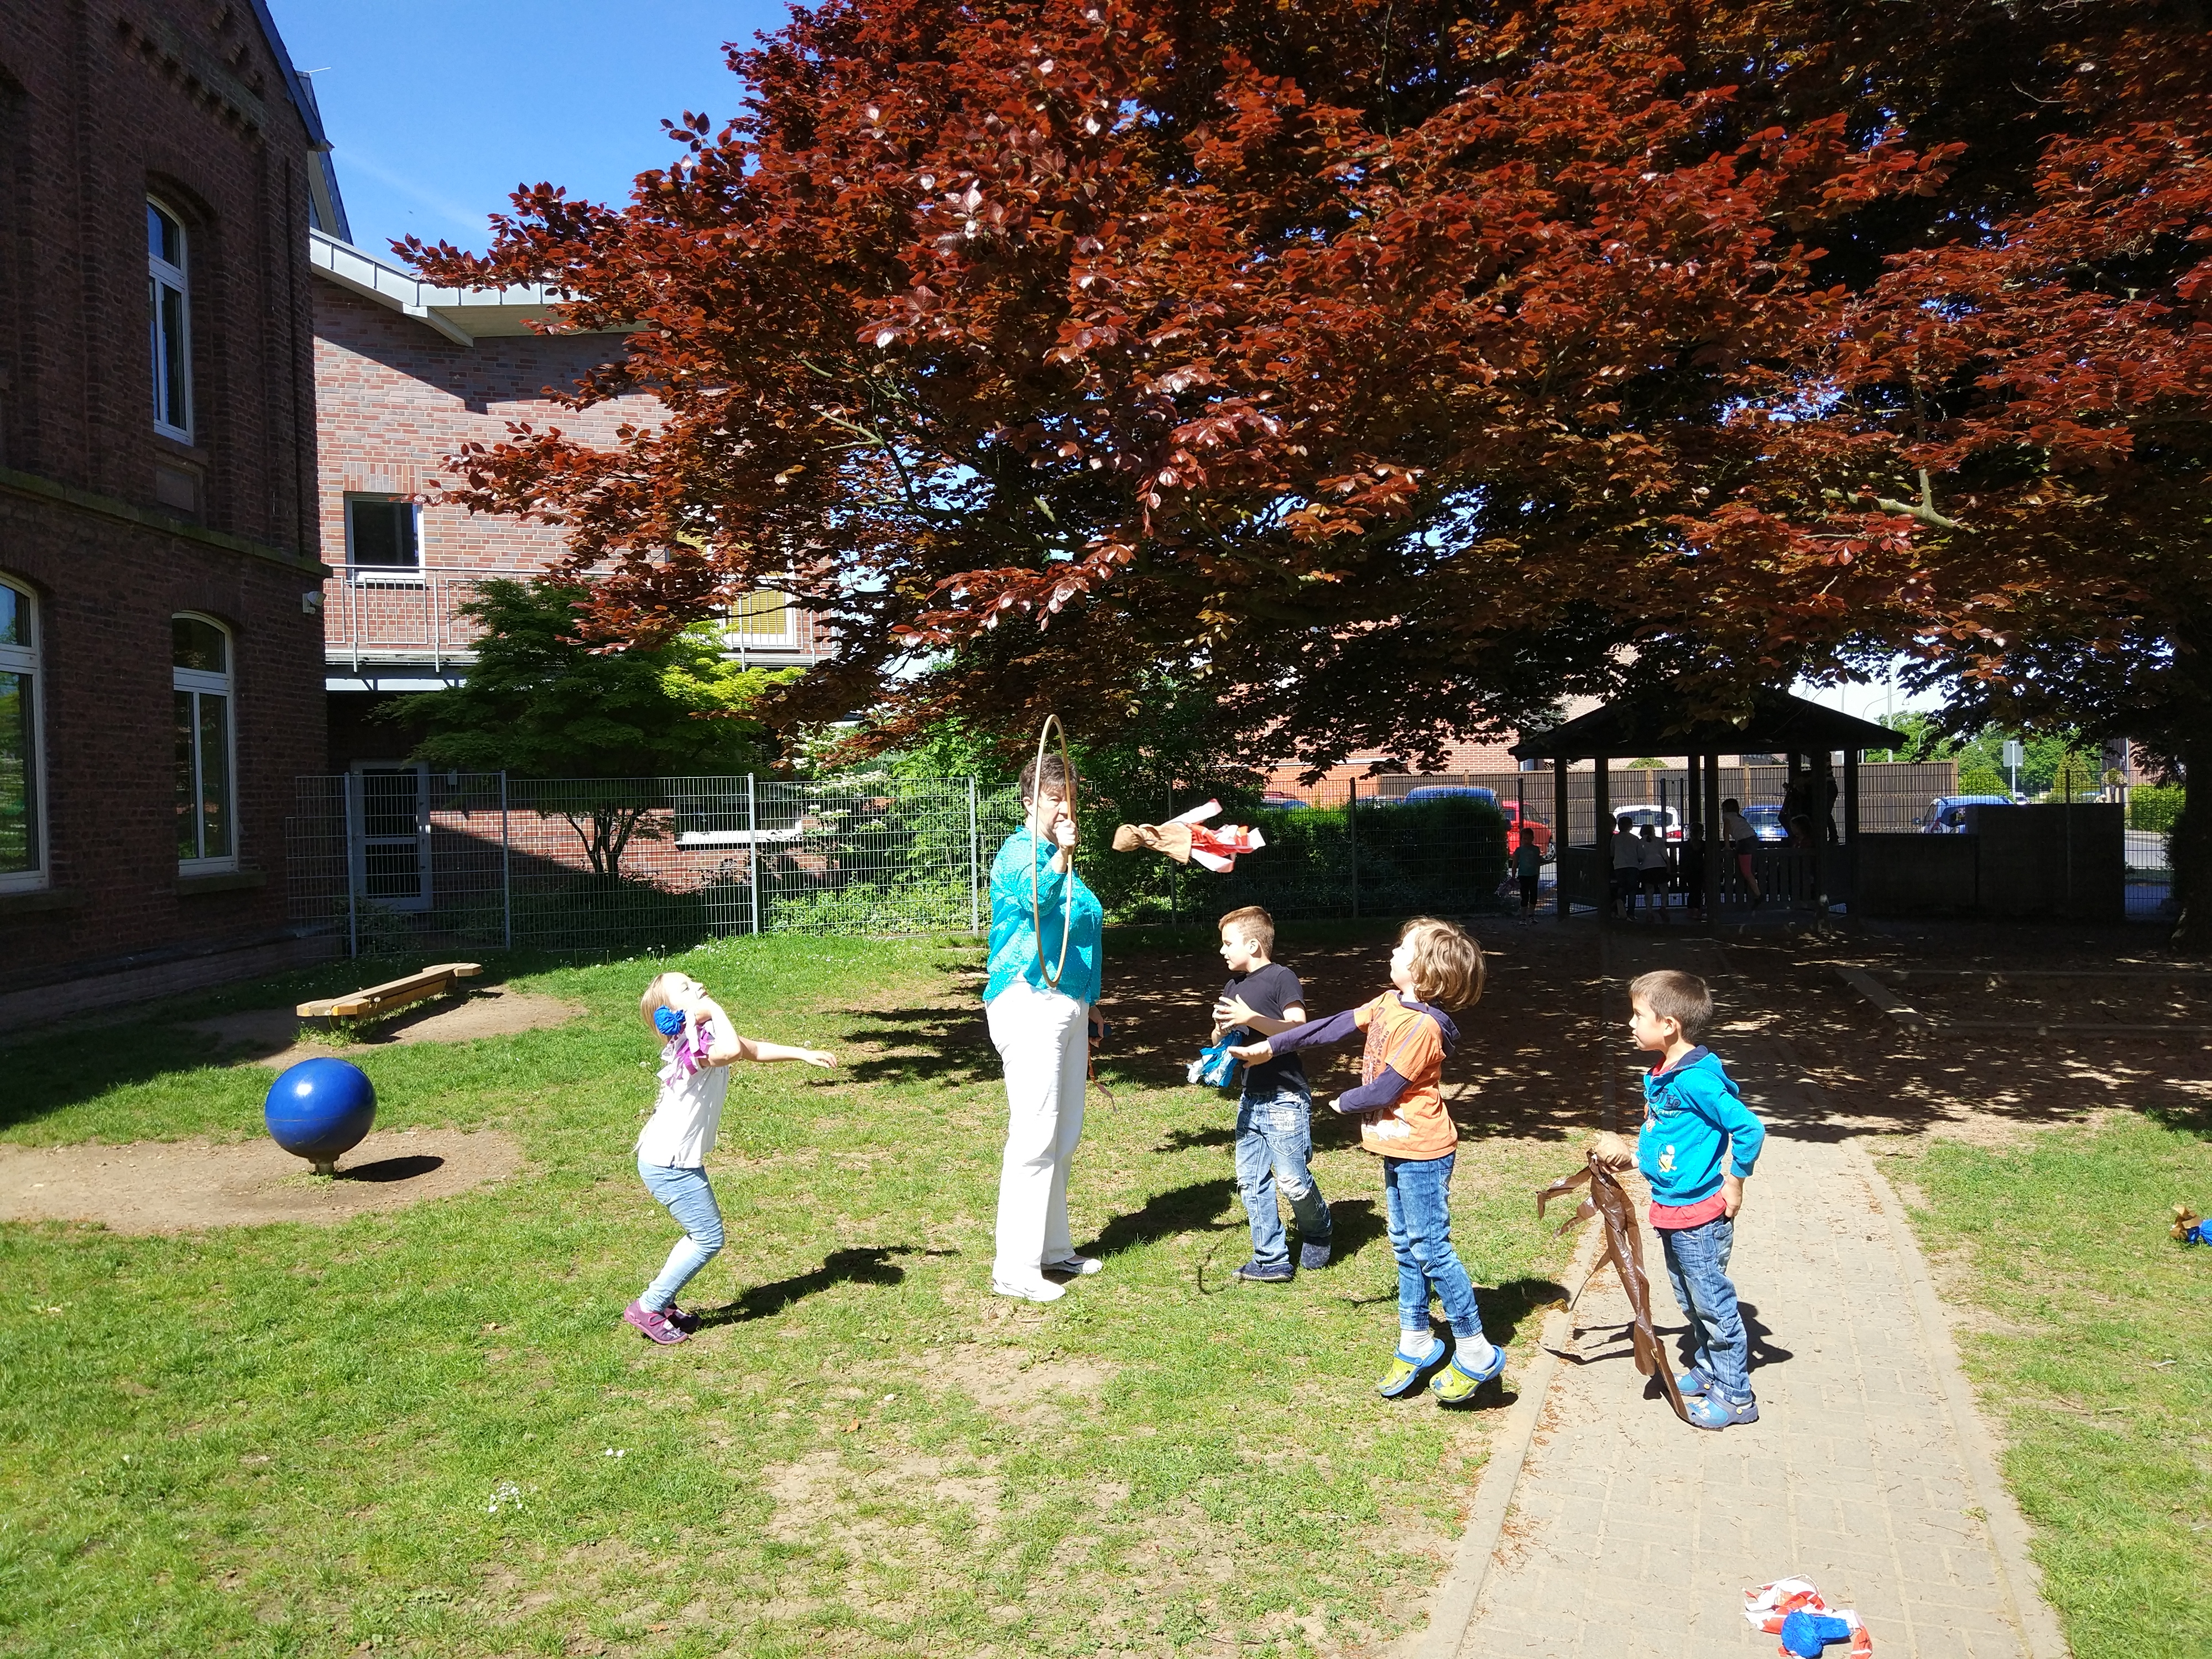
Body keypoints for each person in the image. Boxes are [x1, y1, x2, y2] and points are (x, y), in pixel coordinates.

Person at [1229, 918, 1501, 1405]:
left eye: (1403, 947)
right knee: (1403, 1245)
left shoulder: (1422, 1027)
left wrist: (1340, 1103)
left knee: (1431, 1247)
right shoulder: (1388, 1002)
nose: (1393, 951)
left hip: (1424, 1151)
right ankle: (1417, 1338)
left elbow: (1386, 1089)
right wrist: (1271, 1044)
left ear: (1424, 969)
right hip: (1396, 1146)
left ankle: (1477, 1348)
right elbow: (1330, 1027)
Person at [624, 971, 836, 1345]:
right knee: (707, 1238)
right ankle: (649, 1306)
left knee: (701, 1235)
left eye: (693, 981)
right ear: (673, 1011)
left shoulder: (701, 1036)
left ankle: (664, 1303)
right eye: (685, 989)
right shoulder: (692, 1048)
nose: (697, 986)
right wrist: (713, 1008)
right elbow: (733, 1051)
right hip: (669, 1163)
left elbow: (749, 1049)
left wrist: (802, 1053)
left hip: (675, 1159)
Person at [985, 750, 1106, 1304]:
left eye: (1070, 798)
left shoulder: (1065, 857)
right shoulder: (1018, 854)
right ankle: (1013, 1268)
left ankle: (1052, 1249)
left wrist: (1091, 1001)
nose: (1064, 808)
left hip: (1067, 1002)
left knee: (1063, 1133)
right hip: (1027, 999)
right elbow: (1036, 903)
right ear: (1031, 800)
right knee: (1034, 1136)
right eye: (1055, 798)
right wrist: (1060, 854)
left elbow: (1080, 932)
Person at [1627, 969, 1767, 1429]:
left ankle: (1736, 1395)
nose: (1631, 1024)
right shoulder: (1665, 1072)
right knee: (1691, 1301)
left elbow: (1749, 1127)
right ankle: (1709, 1369)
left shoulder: (1696, 1082)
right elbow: (1668, 1138)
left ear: (1669, 1024)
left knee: (1712, 1303)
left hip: (1700, 1215)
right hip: (1671, 1207)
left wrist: (1736, 1180)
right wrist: (1631, 1158)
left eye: (1638, 1015)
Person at [1209, 905, 1331, 1282]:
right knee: (1250, 1180)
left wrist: (1252, 1019)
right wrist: (1219, 1031)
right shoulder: (1234, 987)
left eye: (1229, 944)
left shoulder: (1282, 978)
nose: (1222, 951)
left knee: (1292, 1179)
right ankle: (1271, 1257)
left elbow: (1299, 1031)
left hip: (1285, 1095)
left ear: (1254, 945)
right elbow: (1224, 1037)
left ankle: (1319, 1228)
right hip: (1251, 1097)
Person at [1719, 797, 1762, 906]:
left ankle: (1758, 895)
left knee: (1746, 871)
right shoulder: (1739, 817)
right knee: (1749, 868)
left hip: (1744, 842)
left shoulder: (1727, 816)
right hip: (1753, 839)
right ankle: (1756, 893)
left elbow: (1727, 830)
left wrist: (1727, 846)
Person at [1610, 817, 1642, 914]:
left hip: (1619, 866)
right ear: (1631, 826)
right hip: (1633, 866)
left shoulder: (1615, 838)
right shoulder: (1635, 839)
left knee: (1621, 888)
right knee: (1632, 890)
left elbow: (1612, 853)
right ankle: (1631, 912)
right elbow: (1641, 855)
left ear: (1619, 826)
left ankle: (1621, 910)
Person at [1636, 822, 1670, 911]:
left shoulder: (1640, 842)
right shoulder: (1660, 841)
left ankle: (1649, 911)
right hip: (1660, 867)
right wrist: (1668, 867)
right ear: (1653, 831)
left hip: (1646, 869)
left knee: (1649, 889)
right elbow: (1665, 856)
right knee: (1664, 888)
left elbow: (1640, 857)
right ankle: (1663, 907)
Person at [1512, 826, 1545, 917]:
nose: (1527, 841)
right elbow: (1515, 864)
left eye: (1529, 839)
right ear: (1522, 839)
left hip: (1533, 876)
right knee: (1524, 897)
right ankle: (1523, 915)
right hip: (1523, 876)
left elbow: (1537, 863)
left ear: (1533, 839)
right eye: (1525, 839)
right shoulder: (1519, 851)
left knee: (1534, 896)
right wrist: (1513, 876)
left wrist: (1537, 874)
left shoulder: (1536, 850)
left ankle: (1531, 914)